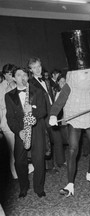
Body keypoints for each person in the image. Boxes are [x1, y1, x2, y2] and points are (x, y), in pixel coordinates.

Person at [49, 66, 90, 197]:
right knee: (73, 150)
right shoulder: (69, 85)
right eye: (85, 72)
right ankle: (70, 183)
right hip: (75, 119)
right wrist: (53, 115)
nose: (89, 75)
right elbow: (59, 102)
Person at [5, 67, 47, 198]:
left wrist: (32, 111)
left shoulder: (37, 92)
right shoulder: (9, 96)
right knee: (19, 161)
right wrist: (19, 132)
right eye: (18, 75)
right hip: (22, 131)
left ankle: (39, 188)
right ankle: (24, 187)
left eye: (24, 74)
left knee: (39, 160)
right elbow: (10, 118)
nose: (22, 77)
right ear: (13, 78)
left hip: (36, 129)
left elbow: (43, 111)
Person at [28, 57, 65, 170]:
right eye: (34, 68)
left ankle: (61, 161)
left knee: (58, 139)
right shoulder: (30, 83)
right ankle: (50, 166)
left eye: (39, 66)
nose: (37, 69)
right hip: (41, 115)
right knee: (46, 141)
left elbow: (51, 97)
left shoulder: (47, 80)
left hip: (52, 113)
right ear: (30, 70)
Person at [0, 64, 18, 179]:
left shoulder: (17, 85)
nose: (9, 76)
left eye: (11, 74)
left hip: (18, 122)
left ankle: (20, 170)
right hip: (6, 122)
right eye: (7, 74)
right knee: (12, 150)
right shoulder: (1, 87)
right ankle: (15, 174)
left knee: (19, 149)